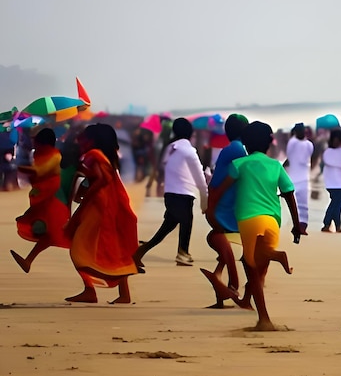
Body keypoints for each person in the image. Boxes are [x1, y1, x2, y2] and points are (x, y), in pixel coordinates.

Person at [206, 121, 301, 331]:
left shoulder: (239, 164)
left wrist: (213, 212)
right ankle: (250, 297)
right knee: (259, 268)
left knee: (251, 270)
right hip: (272, 221)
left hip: (249, 220)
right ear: (269, 143)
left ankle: (264, 319)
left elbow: (219, 192)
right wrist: (296, 224)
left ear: (245, 144)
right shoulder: (276, 166)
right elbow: (289, 194)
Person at [64, 123, 140, 304]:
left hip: (99, 206)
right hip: (114, 205)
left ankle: (89, 290)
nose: (81, 141)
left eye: (84, 137)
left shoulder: (93, 155)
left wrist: (87, 196)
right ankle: (124, 294)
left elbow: (101, 179)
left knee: (78, 248)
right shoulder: (107, 157)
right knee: (115, 247)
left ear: (93, 140)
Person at [134, 118, 208, 267]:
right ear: (191, 133)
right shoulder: (188, 150)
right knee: (186, 222)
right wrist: (205, 199)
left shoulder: (171, 148)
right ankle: (182, 253)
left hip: (170, 194)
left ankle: (140, 252)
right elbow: (199, 177)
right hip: (183, 195)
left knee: (168, 226)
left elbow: (166, 168)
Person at [200, 113, 249, 308]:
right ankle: (233, 283)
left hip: (223, 203)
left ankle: (222, 284)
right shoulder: (238, 149)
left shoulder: (230, 148)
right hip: (224, 206)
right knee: (217, 237)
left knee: (217, 237)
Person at [11, 128, 71, 273]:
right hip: (46, 196)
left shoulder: (53, 155)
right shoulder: (41, 154)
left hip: (53, 197)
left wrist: (17, 167)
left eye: (36, 140)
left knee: (54, 232)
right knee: (52, 233)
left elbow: (40, 171)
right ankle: (28, 260)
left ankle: (28, 260)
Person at [285, 123, 314, 235]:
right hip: (295, 177)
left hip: (302, 177)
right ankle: (297, 224)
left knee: (303, 203)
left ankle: (302, 225)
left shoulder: (308, 144)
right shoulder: (294, 142)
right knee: (297, 203)